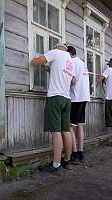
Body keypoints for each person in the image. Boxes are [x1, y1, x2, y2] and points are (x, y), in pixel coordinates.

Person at [31, 42, 75, 171]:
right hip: (67, 99)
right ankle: (67, 160)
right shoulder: (70, 60)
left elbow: (35, 62)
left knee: (56, 133)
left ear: (58, 47)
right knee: (65, 130)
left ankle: (56, 164)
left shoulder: (55, 53)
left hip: (55, 97)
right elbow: (72, 80)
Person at [67, 46, 90, 163]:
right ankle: (81, 152)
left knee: (70, 126)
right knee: (80, 125)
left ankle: (74, 153)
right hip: (84, 96)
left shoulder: (72, 62)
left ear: (69, 53)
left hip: (75, 98)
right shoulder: (83, 63)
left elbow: (73, 81)